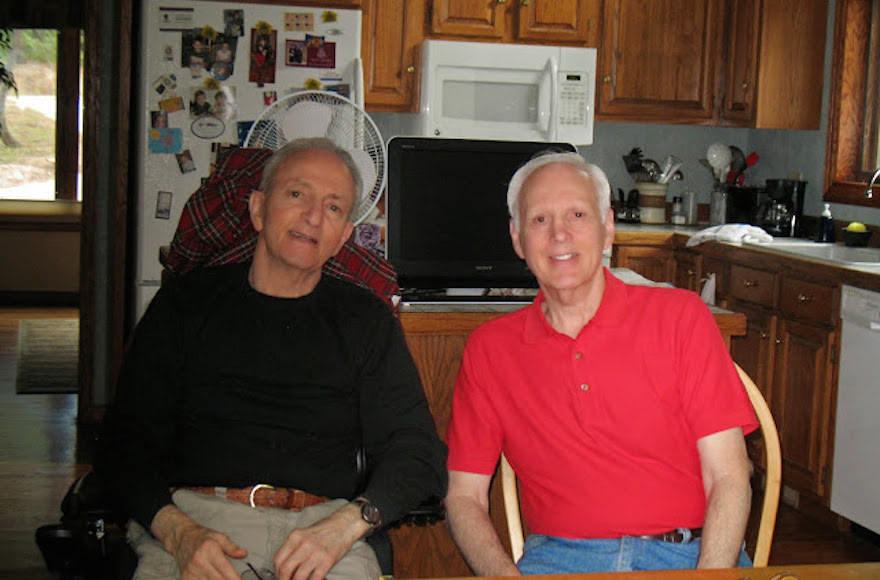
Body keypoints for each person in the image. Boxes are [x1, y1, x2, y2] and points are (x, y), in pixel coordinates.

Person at [96, 137, 447, 580]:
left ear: (342, 238)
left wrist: (349, 525)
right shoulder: (185, 304)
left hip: (323, 536)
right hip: (197, 528)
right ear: (258, 209)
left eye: (334, 208)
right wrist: (177, 530)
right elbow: (123, 444)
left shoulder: (367, 321)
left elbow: (418, 452)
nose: (313, 216)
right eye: (297, 194)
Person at [444, 151, 758, 576]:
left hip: (689, 555)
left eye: (577, 214)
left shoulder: (681, 317)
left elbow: (730, 475)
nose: (559, 235)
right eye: (539, 220)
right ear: (517, 239)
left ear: (607, 227)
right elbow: (464, 497)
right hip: (560, 560)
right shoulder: (489, 350)